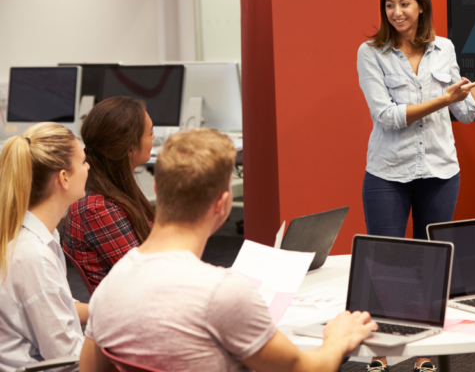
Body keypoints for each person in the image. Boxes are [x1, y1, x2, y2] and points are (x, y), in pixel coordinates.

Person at [79, 128, 376, 372]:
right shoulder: (221, 293)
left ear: (156, 189)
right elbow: (305, 369)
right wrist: (337, 338)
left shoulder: (111, 287)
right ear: (222, 205)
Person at [357, 0, 475, 371]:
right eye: (390, 5)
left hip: (439, 170)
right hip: (388, 173)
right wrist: (440, 100)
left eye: (404, 4)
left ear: (421, 7)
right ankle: (380, 354)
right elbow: (387, 116)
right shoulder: (371, 52)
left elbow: (464, 111)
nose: (396, 12)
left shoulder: (443, 48)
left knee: (431, 265)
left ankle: (425, 355)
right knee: (387, 265)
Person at [0, 123, 90, 372]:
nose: (88, 167)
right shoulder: (33, 255)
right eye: (83, 161)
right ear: (63, 177)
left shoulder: (39, 235)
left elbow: (55, 303)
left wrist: (104, 311)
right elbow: (69, 357)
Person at [63, 96, 155, 288]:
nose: (154, 137)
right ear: (130, 148)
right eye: (150, 133)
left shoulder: (115, 186)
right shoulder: (97, 208)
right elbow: (145, 278)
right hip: (134, 308)